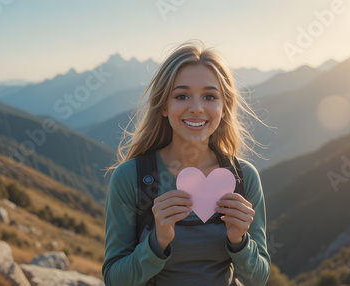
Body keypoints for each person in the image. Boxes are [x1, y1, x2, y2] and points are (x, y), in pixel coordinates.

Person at [102, 41, 271, 285]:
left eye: (210, 96)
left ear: (224, 109)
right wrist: (157, 242)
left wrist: (239, 241)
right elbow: (113, 279)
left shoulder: (244, 177)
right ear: (163, 106)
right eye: (182, 96)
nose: (196, 108)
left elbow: (258, 278)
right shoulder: (131, 178)